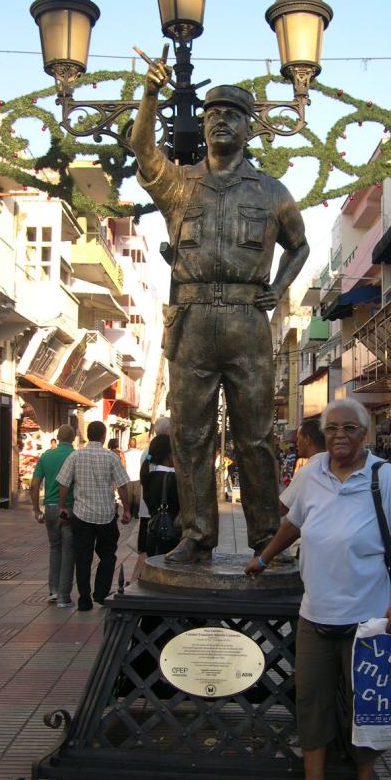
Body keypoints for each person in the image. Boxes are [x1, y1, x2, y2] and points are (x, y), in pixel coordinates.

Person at [131, 61, 309, 565]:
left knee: (256, 435)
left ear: (250, 127)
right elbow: (143, 150)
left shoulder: (272, 192)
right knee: (190, 433)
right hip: (190, 320)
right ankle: (197, 534)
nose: (219, 121)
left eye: (232, 114)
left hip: (246, 319)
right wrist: (149, 95)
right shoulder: (180, 184)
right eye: (212, 114)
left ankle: (264, 537)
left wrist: (277, 288)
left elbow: (299, 247)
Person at [245, 399, 391, 780]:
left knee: (367, 706)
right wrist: (265, 557)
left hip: (368, 619)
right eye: (331, 429)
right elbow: (294, 522)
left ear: (365, 434)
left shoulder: (387, 478)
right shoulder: (313, 474)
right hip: (315, 615)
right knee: (311, 704)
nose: (339, 435)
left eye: (349, 428)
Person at [57, 421, 131, 612]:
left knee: (83, 557)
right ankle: (101, 593)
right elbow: (123, 486)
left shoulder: (75, 455)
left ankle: (84, 599)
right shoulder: (111, 457)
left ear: (88, 435)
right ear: (103, 436)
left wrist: (63, 506)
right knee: (107, 555)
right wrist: (127, 510)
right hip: (106, 515)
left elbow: (63, 484)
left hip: (81, 515)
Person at [30, 424, 76, 607]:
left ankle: (53, 591)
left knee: (54, 548)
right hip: (69, 508)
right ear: (73, 438)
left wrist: (36, 509)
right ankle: (64, 595)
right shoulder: (75, 456)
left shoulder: (46, 456)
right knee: (68, 551)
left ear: (58, 437)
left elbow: (34, 485)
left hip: (49, 508)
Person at [130, 417, 172, 585]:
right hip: (158, 513)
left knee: (145, 551)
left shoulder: (148, 453)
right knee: (149, 552)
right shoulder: (161, 455)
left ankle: (135, 582)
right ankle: (138, 583)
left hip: (147, 510)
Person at [141, 434, 180, 557]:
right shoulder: (173, 479)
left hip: (154, 533)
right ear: (169, 456)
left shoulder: (148, 476)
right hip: (170, 535)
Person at [280, 419, 326, 518]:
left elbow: (282, 507)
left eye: (298, 439)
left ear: (307, 440)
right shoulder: (335, 465)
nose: (296, 444)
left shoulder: (308, 471)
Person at [124, 436, 143, 518]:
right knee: (137, 495)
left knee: (129, 496)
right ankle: (136, 513)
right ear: (136, 444)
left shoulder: (124, 453)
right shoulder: (141, 453)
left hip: (128, 477)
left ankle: (130, 513)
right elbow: (147, 460)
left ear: (129, 445)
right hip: (138, 476)